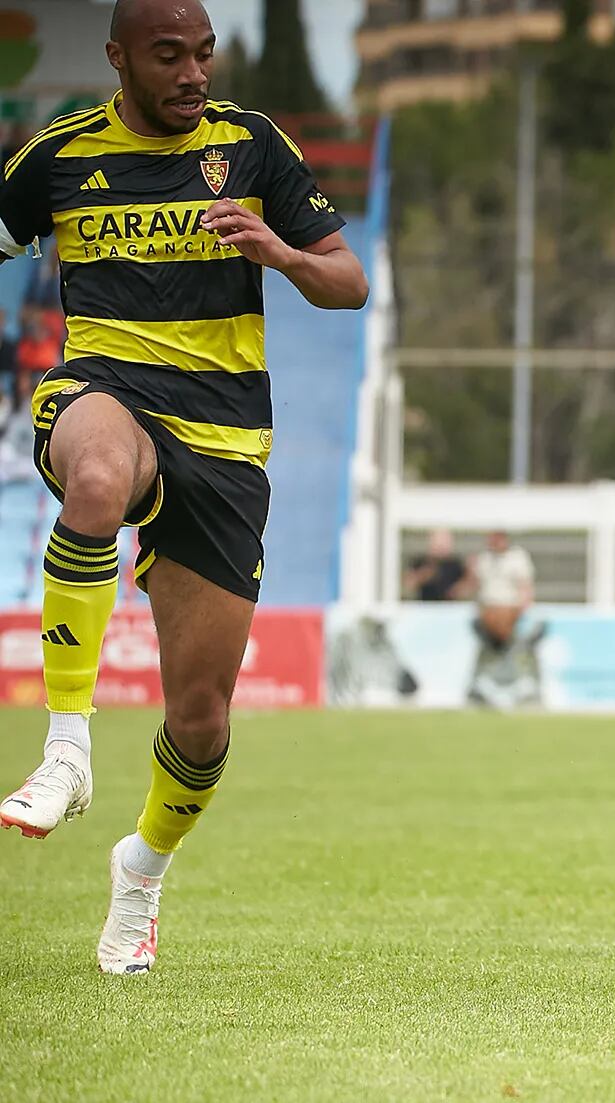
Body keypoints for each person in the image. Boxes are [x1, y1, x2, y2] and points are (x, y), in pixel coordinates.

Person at [0, 0, 367, 975]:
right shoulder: (60, 156)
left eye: (203, 53)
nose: (194, 72)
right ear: (119, 57)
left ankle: (142, 869)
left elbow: (349, 281)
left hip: (225, 444)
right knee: (96, 474)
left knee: (200, 723)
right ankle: (67, 746)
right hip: (103, 389)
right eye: (170, 55)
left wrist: (283, 255)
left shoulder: (250, 146)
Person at [466, 530, 539, 706]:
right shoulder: (484, 559)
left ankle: (523, 686)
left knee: (516, 648)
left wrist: (518, 612)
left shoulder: (517, 558)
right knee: (486, 648)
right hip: (488, 611)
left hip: (510, 612)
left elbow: (525, 588)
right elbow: (474, 587)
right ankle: (480, 687)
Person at [404, 527, 469, 601]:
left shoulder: (456, 564)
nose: (441, 545)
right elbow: (408, 584)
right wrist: (424, 575)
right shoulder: (420, 561)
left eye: (444, 541)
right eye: (439, 541)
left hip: (450, 607)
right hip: (425, 606)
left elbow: (465, 590)